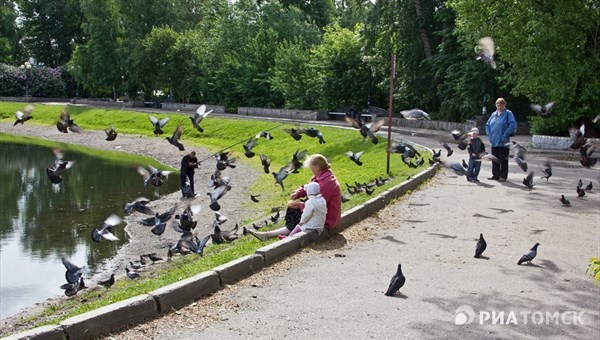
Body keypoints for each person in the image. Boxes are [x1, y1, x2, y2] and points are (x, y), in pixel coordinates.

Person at [248, 154, 342, 241]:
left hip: (326, 219)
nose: (310, 170)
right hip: (319, 211)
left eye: (311, 167)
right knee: (293, 208)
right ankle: (270, 234)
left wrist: (300, 205)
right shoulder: (320, 177)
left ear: (317, 167)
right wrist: (297, 193)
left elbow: (317, 206)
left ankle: (277, 235)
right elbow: (308, 187)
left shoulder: (327, 183)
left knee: (297, 212)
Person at [485, 98, 516, 182]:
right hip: (494, 140)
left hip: (503, 141)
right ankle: (495, 175)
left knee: (503, 160)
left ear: (504, 105)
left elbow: (513, 125)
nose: (499, 106)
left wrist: (505, 134)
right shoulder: (493, 114)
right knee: (494, 159)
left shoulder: (508, 113)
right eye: (498, 105)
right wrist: (489, 134)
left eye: (501, 105)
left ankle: (503, 176)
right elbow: (487, 125)